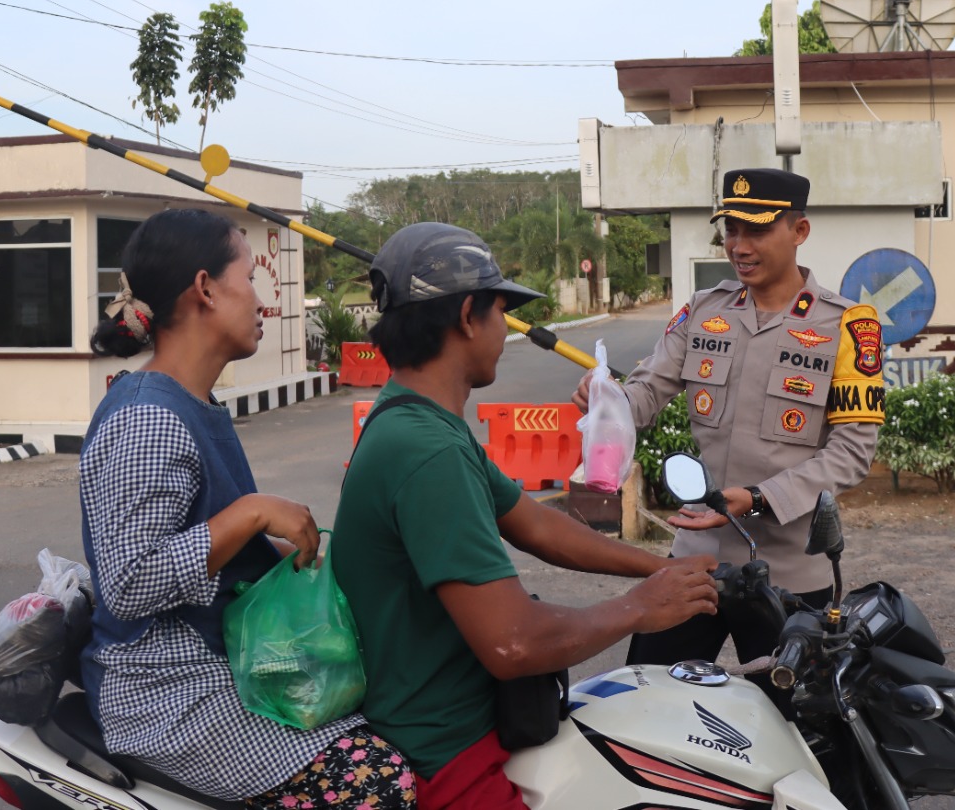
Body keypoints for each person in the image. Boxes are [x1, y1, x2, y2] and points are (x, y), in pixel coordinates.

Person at [334, 222, 719, 810]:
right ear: (468, 316)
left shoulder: (415, 421)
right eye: (501, 311)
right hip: (445, 757)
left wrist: (660, 570)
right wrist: (640, 608)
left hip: (457, 730)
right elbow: (513, 643)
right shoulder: (427, 451)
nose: (506, 328)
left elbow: (539, 525)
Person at [80, 209, 413, 808]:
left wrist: (272, 549)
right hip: (166, 690)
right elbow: (127, 582)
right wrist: (251, 514)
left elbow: (202, 539)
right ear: (205, 289)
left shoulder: (192, 403)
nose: (261, 301)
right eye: (250, 280)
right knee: (378, 782)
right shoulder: (148, 418)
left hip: (215, 663)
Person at [574, 168, 883, 674]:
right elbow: (644, 395)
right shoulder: (703, 310)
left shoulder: (846, 325)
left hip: (789, 573)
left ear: (800, 231)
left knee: (791, 714)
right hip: (697, 559)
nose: (739, 246)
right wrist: (607, 400)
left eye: (756, 231)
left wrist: (759, 498)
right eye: (731, 231)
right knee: (652, 692)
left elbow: (852, 452)